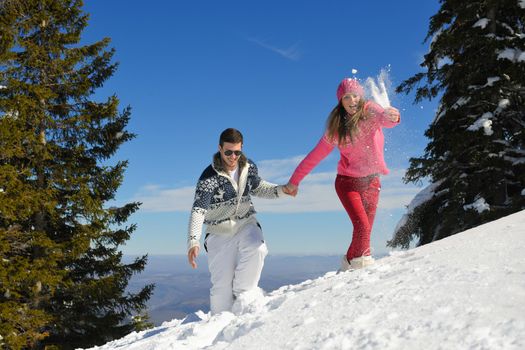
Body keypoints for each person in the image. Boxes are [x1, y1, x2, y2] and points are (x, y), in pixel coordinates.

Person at [284, 78, 400, 271]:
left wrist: (392, 116)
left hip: (372, 182)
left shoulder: (370, 110)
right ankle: (364, 269)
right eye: (347, 96)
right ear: (341, 100)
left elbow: (384, 118)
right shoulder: (336, 129)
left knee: (363, 231)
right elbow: (314, 157)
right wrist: (294, 182)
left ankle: (348, 265)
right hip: (348, 183)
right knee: (362, 227)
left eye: (355, 95)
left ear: (361, 97)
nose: (352, 100)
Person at [187, 127, 289, 314]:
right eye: (228, 152)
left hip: (245, 222)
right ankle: (218, 327)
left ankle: (243, 294)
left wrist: (281, 190)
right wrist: (193, 240)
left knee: (257, 247)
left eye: (237, 152)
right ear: (220, 148)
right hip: (219, 231)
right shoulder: (208, 177)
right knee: (221, 290)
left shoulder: (248, 167)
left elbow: (258, 187)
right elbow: (198, 210)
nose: (233, 157)